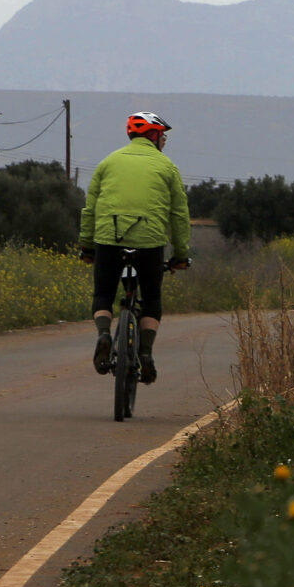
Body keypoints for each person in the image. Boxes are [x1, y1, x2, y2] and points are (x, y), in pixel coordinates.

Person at [78, 111, 190, 383]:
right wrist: (181, 254)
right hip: (149, 242)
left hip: (108, 239)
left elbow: (90, 209)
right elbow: (178, 215)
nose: (164, 140)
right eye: (162, 135)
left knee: (103, 293)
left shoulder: (108, 162)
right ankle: (147, 354)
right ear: (153, 136)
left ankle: (104, 334)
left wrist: (87, 246)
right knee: (151, 299)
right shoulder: (167, 167)